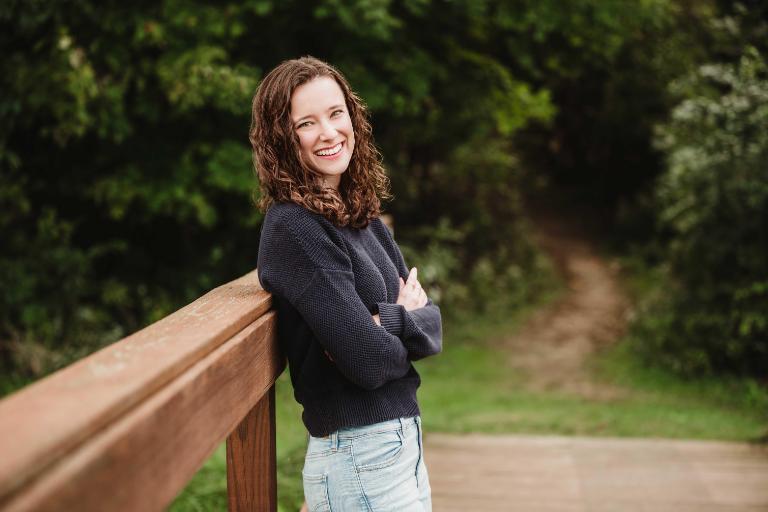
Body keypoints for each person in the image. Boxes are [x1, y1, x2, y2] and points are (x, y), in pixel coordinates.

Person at [252, 56, 443, 511]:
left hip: (397, 447)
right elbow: (367, 361)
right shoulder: (295, 228)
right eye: (307, 123)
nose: (329, 132)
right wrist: (400, 321)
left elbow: (432, 324)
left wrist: (387, 320)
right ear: (282, 138)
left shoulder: (359, 214)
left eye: (336, 114)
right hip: (361, 453)